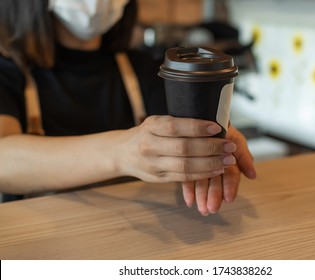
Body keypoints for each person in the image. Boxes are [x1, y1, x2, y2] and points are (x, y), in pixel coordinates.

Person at [0, 0, 257, 216]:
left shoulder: (145, 69)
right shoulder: (8, 70)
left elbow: (183, 129)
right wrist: (121, 153)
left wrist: (208, 138)